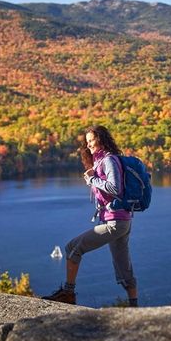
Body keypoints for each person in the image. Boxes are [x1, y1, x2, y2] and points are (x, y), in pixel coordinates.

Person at [43, 125, 138, 306]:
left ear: (101, 139)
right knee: (124, 268)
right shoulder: (102, 161)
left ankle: (68, 294)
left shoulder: (108, 160)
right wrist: (94, 178)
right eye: (87, 142)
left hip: (115, 222)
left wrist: (92, 180)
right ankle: (135, 306)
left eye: (91, 140)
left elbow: (115, 188)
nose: (89, 145)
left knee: (72, 248)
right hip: (122, 221)